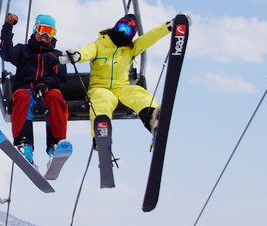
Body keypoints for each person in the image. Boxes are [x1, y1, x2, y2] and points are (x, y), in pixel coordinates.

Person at [59, 13, 191, 136]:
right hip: (99, 87)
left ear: (131, 35)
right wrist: (77, 56)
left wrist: (169, 26)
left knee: (139, 93)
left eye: (127, 30)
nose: (122, 32)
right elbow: (87, 51)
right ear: (115, 26)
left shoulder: (131, 48)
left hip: (121, 87)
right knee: (102, 100)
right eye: (121, 27)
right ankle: (100, 133)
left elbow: (149, 38)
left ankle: (151, 118)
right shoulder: (100, 44)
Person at [0, 13, 69, 164]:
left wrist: (46, 85)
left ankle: (55, 144)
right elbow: (6, 54)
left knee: (55, 96)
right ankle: (24, 144)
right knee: (22, 96)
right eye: (42, 29)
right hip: (26, 91)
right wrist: (8, 27)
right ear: (35, 30)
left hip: (46, 93)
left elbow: (60, 77)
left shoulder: (57, 56)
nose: (45, 35)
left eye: (49, 32)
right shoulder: (23, 51)